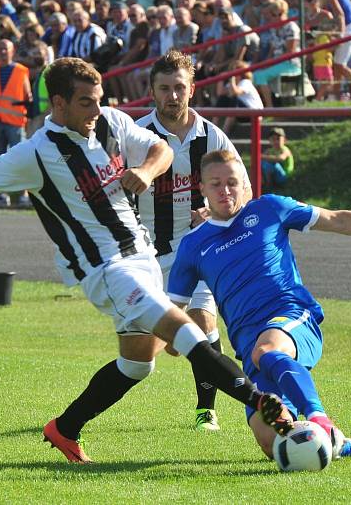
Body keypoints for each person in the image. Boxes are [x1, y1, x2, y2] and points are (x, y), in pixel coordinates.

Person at [0, 57, 291, 464]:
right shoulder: (35, 154)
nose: (96, 111)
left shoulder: (110, 121)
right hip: (107, 270)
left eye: (98, 100)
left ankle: (64, 428)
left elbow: (159, 148)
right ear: (58, 103)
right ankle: (262, 402)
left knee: (137, 364)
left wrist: (146, 171)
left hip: (142, 255)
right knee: (187, 330)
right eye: (85, 103)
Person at [168, 149, 351, 460]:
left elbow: (338, 221)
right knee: (277, 444)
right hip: (249, 351)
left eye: (232, 182)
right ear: (200, 188)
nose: (225, 190)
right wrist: (170, 341)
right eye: (215, 183)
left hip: (292, 318)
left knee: (267, 350)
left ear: (244, 183)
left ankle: (319, 417)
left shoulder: (270, 209)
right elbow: (172, 311)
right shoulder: (193, 246)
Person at [135, 51, 252, 432]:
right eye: (164, 88)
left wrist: (219, 212)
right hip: (149, 253)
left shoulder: (213, 136)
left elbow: (242, 188)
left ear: (192, 89)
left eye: (179, 88)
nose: (172, 96)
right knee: (154, 350)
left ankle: (206, 410)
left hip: (200, 249)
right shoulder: (137, 136)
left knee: (202, 322)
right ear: (152, 91)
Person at [0, 39, 31, 207]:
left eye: (6, 49)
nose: (3, 52)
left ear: (13, 51)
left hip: (15, 121)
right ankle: (1, 195)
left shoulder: (21, 71)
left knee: (22, 159)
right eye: (0, 49)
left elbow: (28, 96)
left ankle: (24, 195)